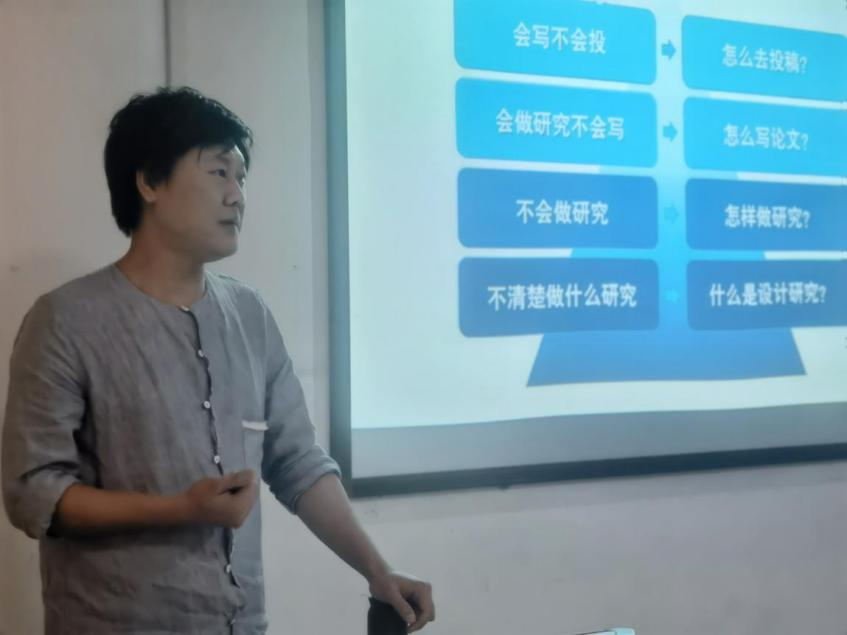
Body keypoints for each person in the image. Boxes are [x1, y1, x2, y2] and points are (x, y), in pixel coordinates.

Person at [1, 87, 435, 634]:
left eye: (242, 177)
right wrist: (180, 509)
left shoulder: (249, 314)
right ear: (149, 182)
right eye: (219, 173)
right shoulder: (66, 320)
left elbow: (298, 462)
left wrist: (378, 570)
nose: (237, 196)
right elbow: (33, 493)